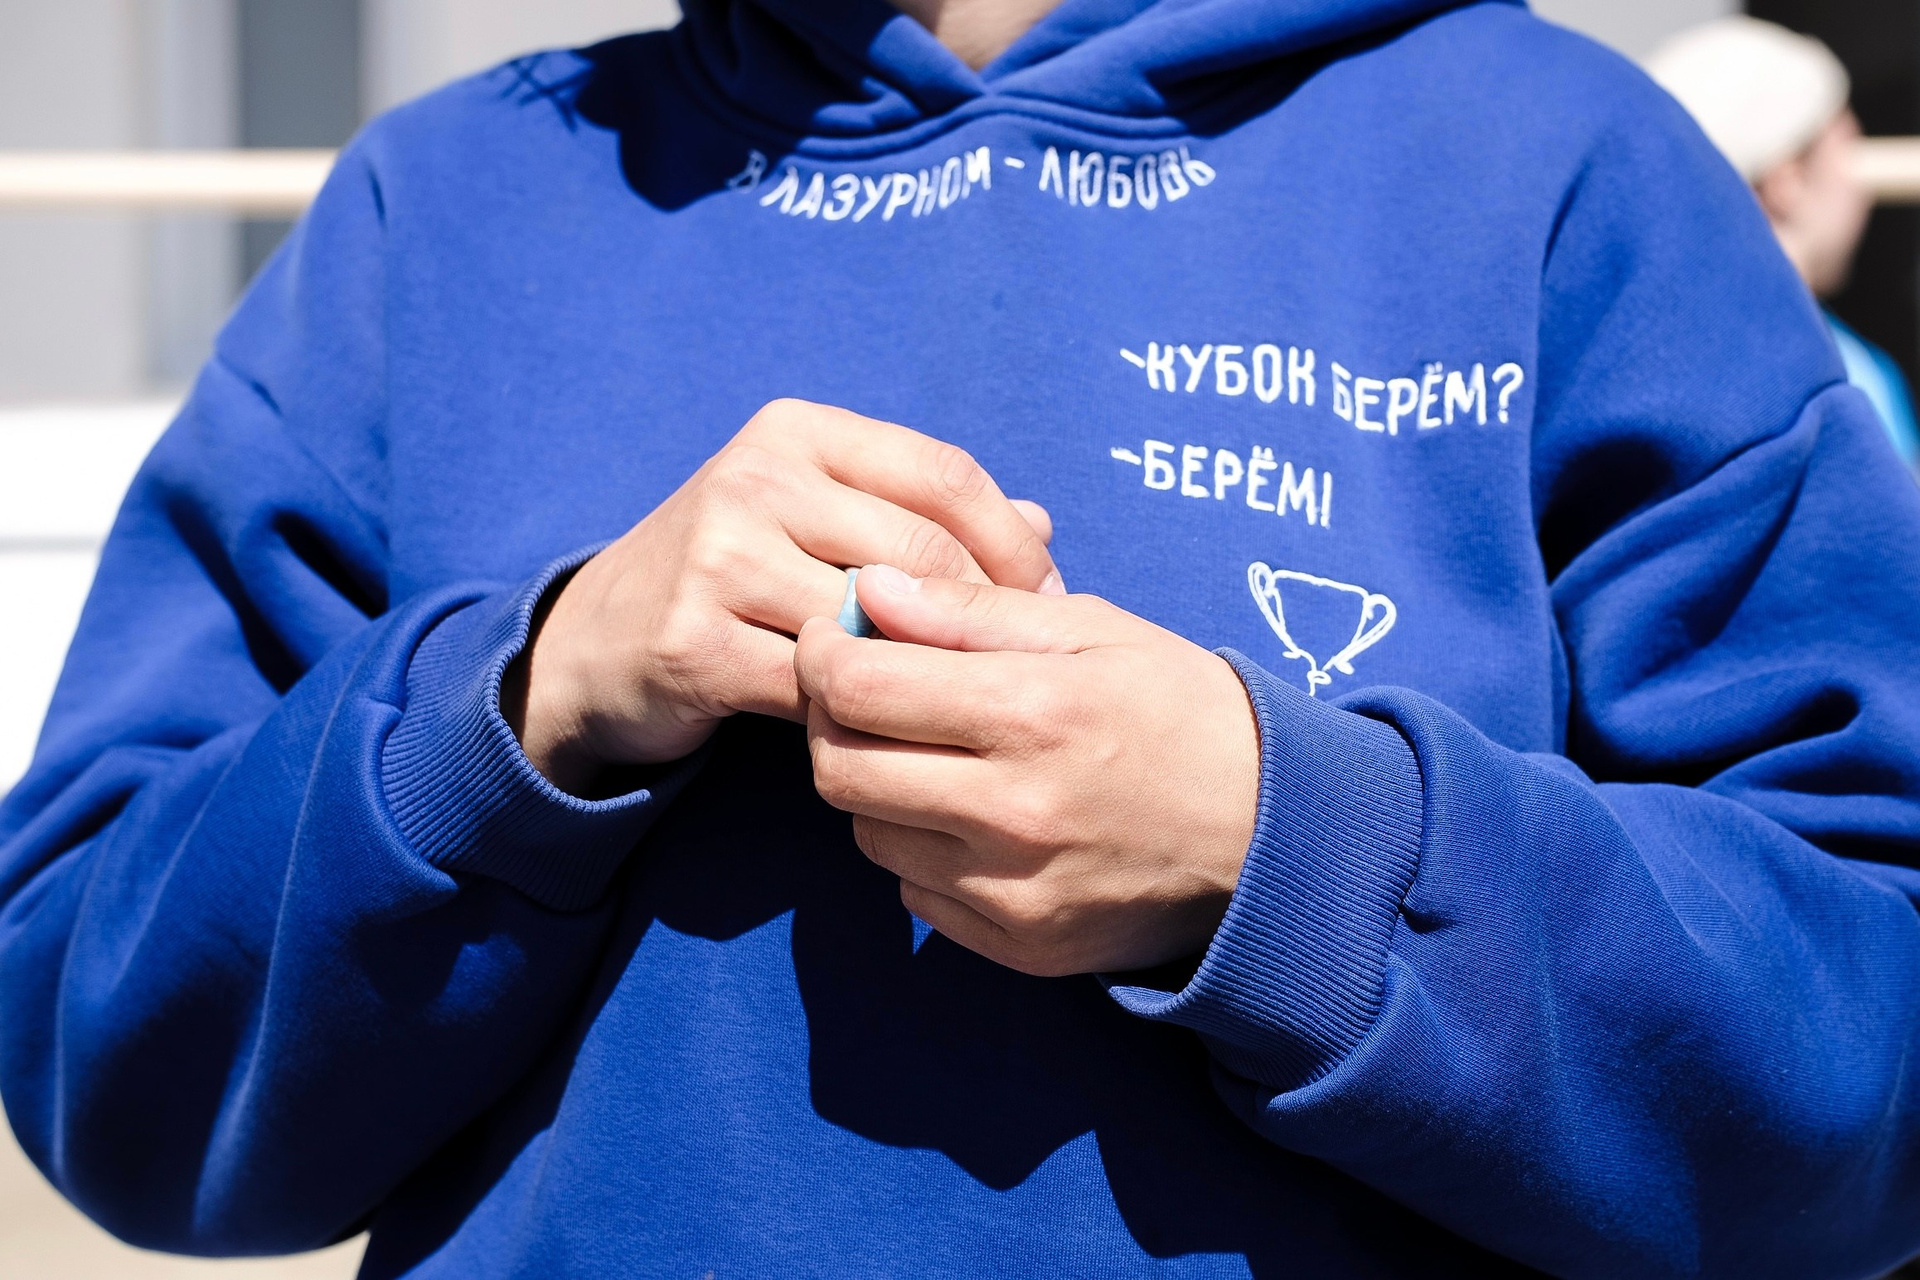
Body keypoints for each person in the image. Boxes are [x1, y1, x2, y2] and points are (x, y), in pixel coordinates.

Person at [1, 0, 1918, 1275]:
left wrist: (1288, 859)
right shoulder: (447, 205)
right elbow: (99, 1069)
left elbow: (1871, 1063)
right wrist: (523, 702)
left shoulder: (1557, 165)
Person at [1649, 15, 1920, 476]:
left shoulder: (1650, 353)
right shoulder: (1840, 379)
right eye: (1848, 153)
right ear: (1787, 181)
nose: (1862, 191)